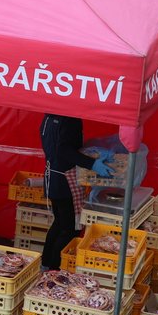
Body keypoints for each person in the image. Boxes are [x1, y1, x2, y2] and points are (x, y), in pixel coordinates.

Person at [39, 114, 113, 271]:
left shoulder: (48, 117)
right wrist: (91, 163)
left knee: (59, 223)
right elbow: (64, 150)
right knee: (69, 228)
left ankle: (45, 265)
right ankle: (54, 271)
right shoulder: (70, 119)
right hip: (64, 180)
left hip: (52, 176)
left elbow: (60, 147)